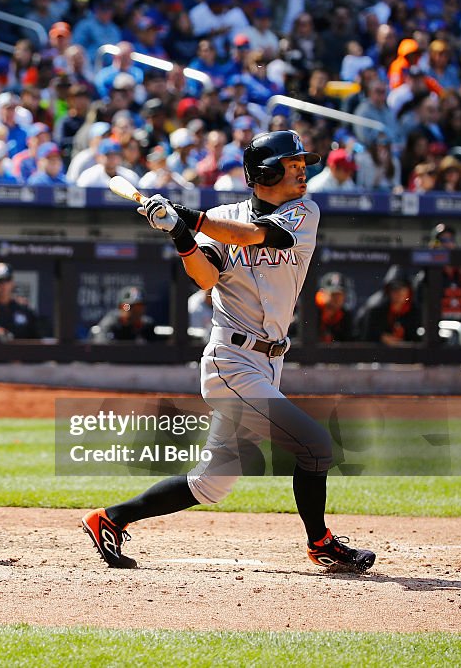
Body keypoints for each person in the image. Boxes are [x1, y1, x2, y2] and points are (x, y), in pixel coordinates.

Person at [82, 130, 376, 573]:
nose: (302, 171)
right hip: (231, 363)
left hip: (269, 361)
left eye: (302, 164)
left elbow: (256, 235)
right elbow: (204, 277)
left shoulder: (303, 212)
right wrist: (181, 235)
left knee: (211, 483)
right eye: (292, 164)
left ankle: (110, 518)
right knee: (315, 446)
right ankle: (321, 542)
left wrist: (190, 218)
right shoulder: (220, 218)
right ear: (265, 172)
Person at [413, 223, 461, 324]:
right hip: (436, 332)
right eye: (442, 241)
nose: (446, 244)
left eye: (450, 240)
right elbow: (419, 311)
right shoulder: (425, 278)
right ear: (433, 245)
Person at [354, 265, 421, 346]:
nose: (398, 292)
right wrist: (381, 338)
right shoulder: (375, 308)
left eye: (402, 287)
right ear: (388, 290)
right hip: (378, 354)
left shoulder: (414, 311)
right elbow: (364, 337)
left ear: (409, 290)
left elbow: (417, 339)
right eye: (394, 288)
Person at [0, 262, 40, 339]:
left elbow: (35, 338)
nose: (3, 285)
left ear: (12, 282)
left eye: (7, 280)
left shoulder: (23, 309)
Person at [90, 286, 159, 343]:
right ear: (120, 307)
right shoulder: (110, 323)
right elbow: (101, 349)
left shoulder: (147, 325)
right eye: (127, 307)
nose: (134, 311)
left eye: (139, 307)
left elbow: (154, 352)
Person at [315, 271, 354, 343]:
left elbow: (348, 343)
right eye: (333, 293)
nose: (336, 298)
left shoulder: (345, 315)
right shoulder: (310, 311)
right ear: (322, 293)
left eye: (340, 294)